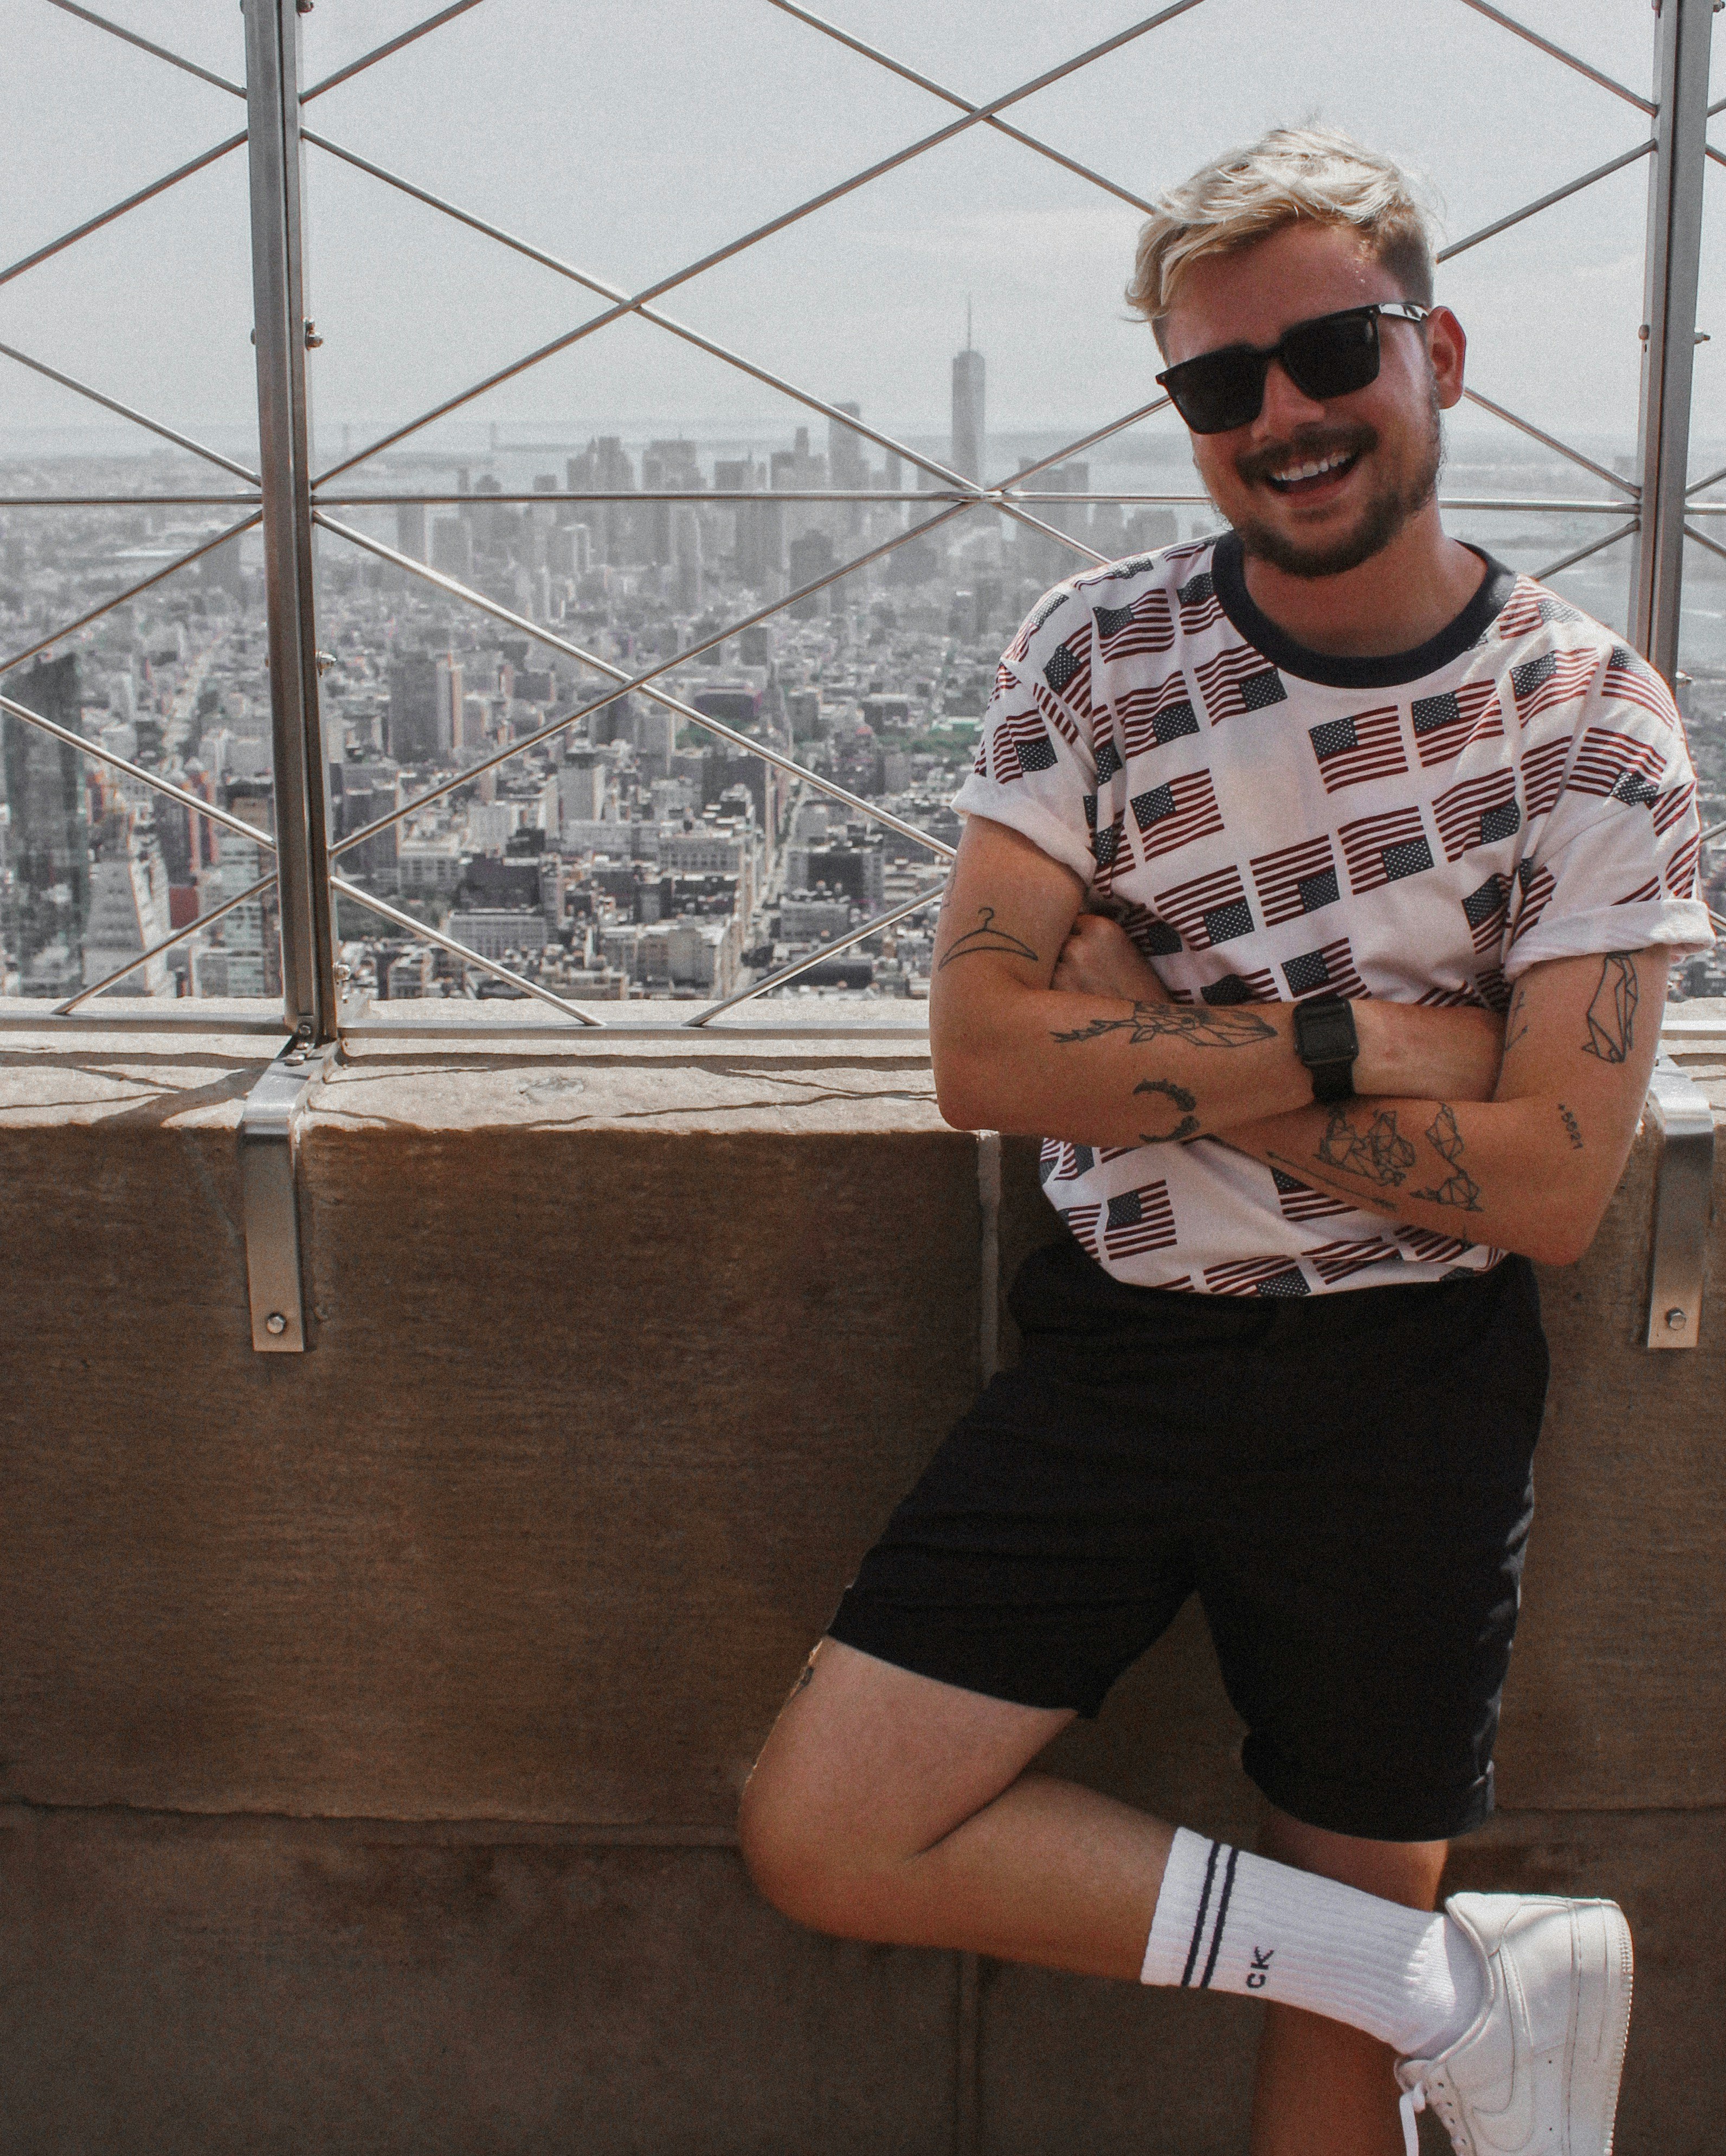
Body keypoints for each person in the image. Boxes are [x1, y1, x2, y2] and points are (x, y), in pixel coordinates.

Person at [738, 126, 1710, 2155]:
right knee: (827, 1822)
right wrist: (1368, 1043)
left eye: (1330, 348)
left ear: (1437, 347)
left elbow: (1546, 1186)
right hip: (1120, 1346)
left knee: (1329, 2078)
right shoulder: (1097, 651)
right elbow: (988, 1055)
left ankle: (1395, 1980)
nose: (1280, 414)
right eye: (1215, 383)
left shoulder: (1593, 719)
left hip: (1410, 1390)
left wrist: (1167, 1039)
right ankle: (1451, 1979)